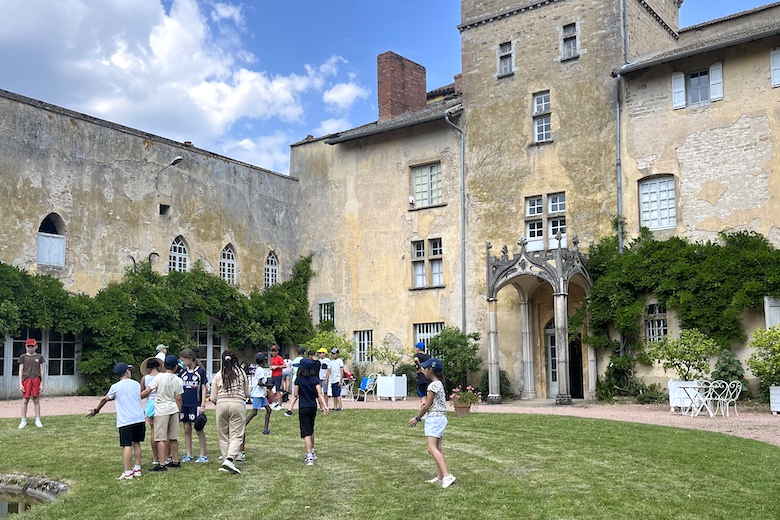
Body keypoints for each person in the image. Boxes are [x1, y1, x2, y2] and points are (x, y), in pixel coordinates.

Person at [86, 363, 146, 481]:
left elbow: (105, 399)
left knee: (126, 445)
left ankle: (128, 472)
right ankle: (137, 468)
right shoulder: (136, 384)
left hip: (125, 420)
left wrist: (96, 410)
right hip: (139, 418)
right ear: (127, 372)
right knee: (137, 443)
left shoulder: (115, 387)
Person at [407, 357, 455, 488]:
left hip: (434, 420)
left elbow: (427, 405)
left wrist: (417, 418)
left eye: (425, 368)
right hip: (440, 418)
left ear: (431, 370)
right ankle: (440, 476)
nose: (423, 371)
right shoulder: (439, 383)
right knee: (438, 448)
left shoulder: (432, 385)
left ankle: (447, 476)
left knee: (431, 448)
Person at [141, 354, 183, 472]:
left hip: (161, 409)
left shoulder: (159, 378)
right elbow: (179, 398)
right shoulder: (179, 380)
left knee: (161, 438)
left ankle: (162, 463)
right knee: (173, 437)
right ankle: (175, 460)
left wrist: (135, 397)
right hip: (173, 409)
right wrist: (179, 412)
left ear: (164, 366)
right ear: (176, 367)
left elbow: (148, 391)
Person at [210, 350, 248, 474]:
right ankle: (230, 458)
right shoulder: (241, 373)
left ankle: (226, 459)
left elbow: (213, 397)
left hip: (221, 404)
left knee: (223, 434)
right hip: (237, 403)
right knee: (236, 434)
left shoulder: (218, 374)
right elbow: (247, 393)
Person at [294, 358, 329, 465]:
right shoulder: (315, 379)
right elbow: (320, 393)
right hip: (312, 406)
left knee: (306, 433)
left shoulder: (299, 379)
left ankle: (309, 457)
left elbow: (295, 394)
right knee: (311, 429)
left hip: (303, 407)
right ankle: (312, 452)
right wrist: (324, 406)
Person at [239, 353, 273, 461]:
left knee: (269, 409)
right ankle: (243, 425)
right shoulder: (261, 370)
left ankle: (266, 429)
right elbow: (259, 383)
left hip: (261, 394)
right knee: (254, 412)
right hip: (258, 393)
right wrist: (269, 386)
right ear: (263, 361)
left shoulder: (257, 368)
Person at [179, 349, 208, 463]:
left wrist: (203, 405)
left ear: (190, 359)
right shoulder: (182, 373)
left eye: (184, 360)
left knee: (199, 429)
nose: (182, 362)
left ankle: (203, 454)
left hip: (195, 404)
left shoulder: (200, 372)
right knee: (186, 429)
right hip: (184, 404)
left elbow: (204, 388)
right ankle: (188, 454)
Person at [18, 338, 45, 429]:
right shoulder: (23, 357)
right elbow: (20, 371)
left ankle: (37, 419)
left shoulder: (39, 357)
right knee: (25, 400)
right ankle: (23, 420)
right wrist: (20, 384)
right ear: (26, 346)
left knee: (36, 400)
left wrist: (42, 383)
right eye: (29, 346)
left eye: (32, 346)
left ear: (36, 346)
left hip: (36, 380)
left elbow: (41, 371)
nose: (30, 348)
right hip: (26, 380)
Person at [140, 357, 160, 465]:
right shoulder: (162, 377)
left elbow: (142, 394)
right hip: (160, 402)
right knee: (162, 431)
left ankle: (155, 457)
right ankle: (165, 455)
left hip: (150, 404)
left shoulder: (145, 378)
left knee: (153, 431)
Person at [284, 346, 307, 417]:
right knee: (303, 395)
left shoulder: (294, 360)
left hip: (294, 379)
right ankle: (303, 409)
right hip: (302, 380)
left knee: (294, 396)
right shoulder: (304, 360)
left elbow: (291, 370)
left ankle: (289, 410)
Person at [413, 342, 432, 406]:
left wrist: (420, 366)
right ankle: (427, 406)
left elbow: (416, 359)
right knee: (428, 393)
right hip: (428, 377)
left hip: (421, 376)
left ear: (418, 348)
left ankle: (423, 407)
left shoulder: (417, 355)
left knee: (421, 394)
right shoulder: (428, 356)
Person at [269, 345, 285, 411]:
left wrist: (277, 367)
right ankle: (275, 402)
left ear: (277, 352)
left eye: (274, 351)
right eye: (272, 351)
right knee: (268, 389)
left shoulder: (279, 358)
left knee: (278, 390)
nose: (273, 353)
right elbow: (271, 365)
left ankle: (280, 405)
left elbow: (284, 365)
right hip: (273, 375)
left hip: (278, 375)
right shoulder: (271, 359)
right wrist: (271, 367)